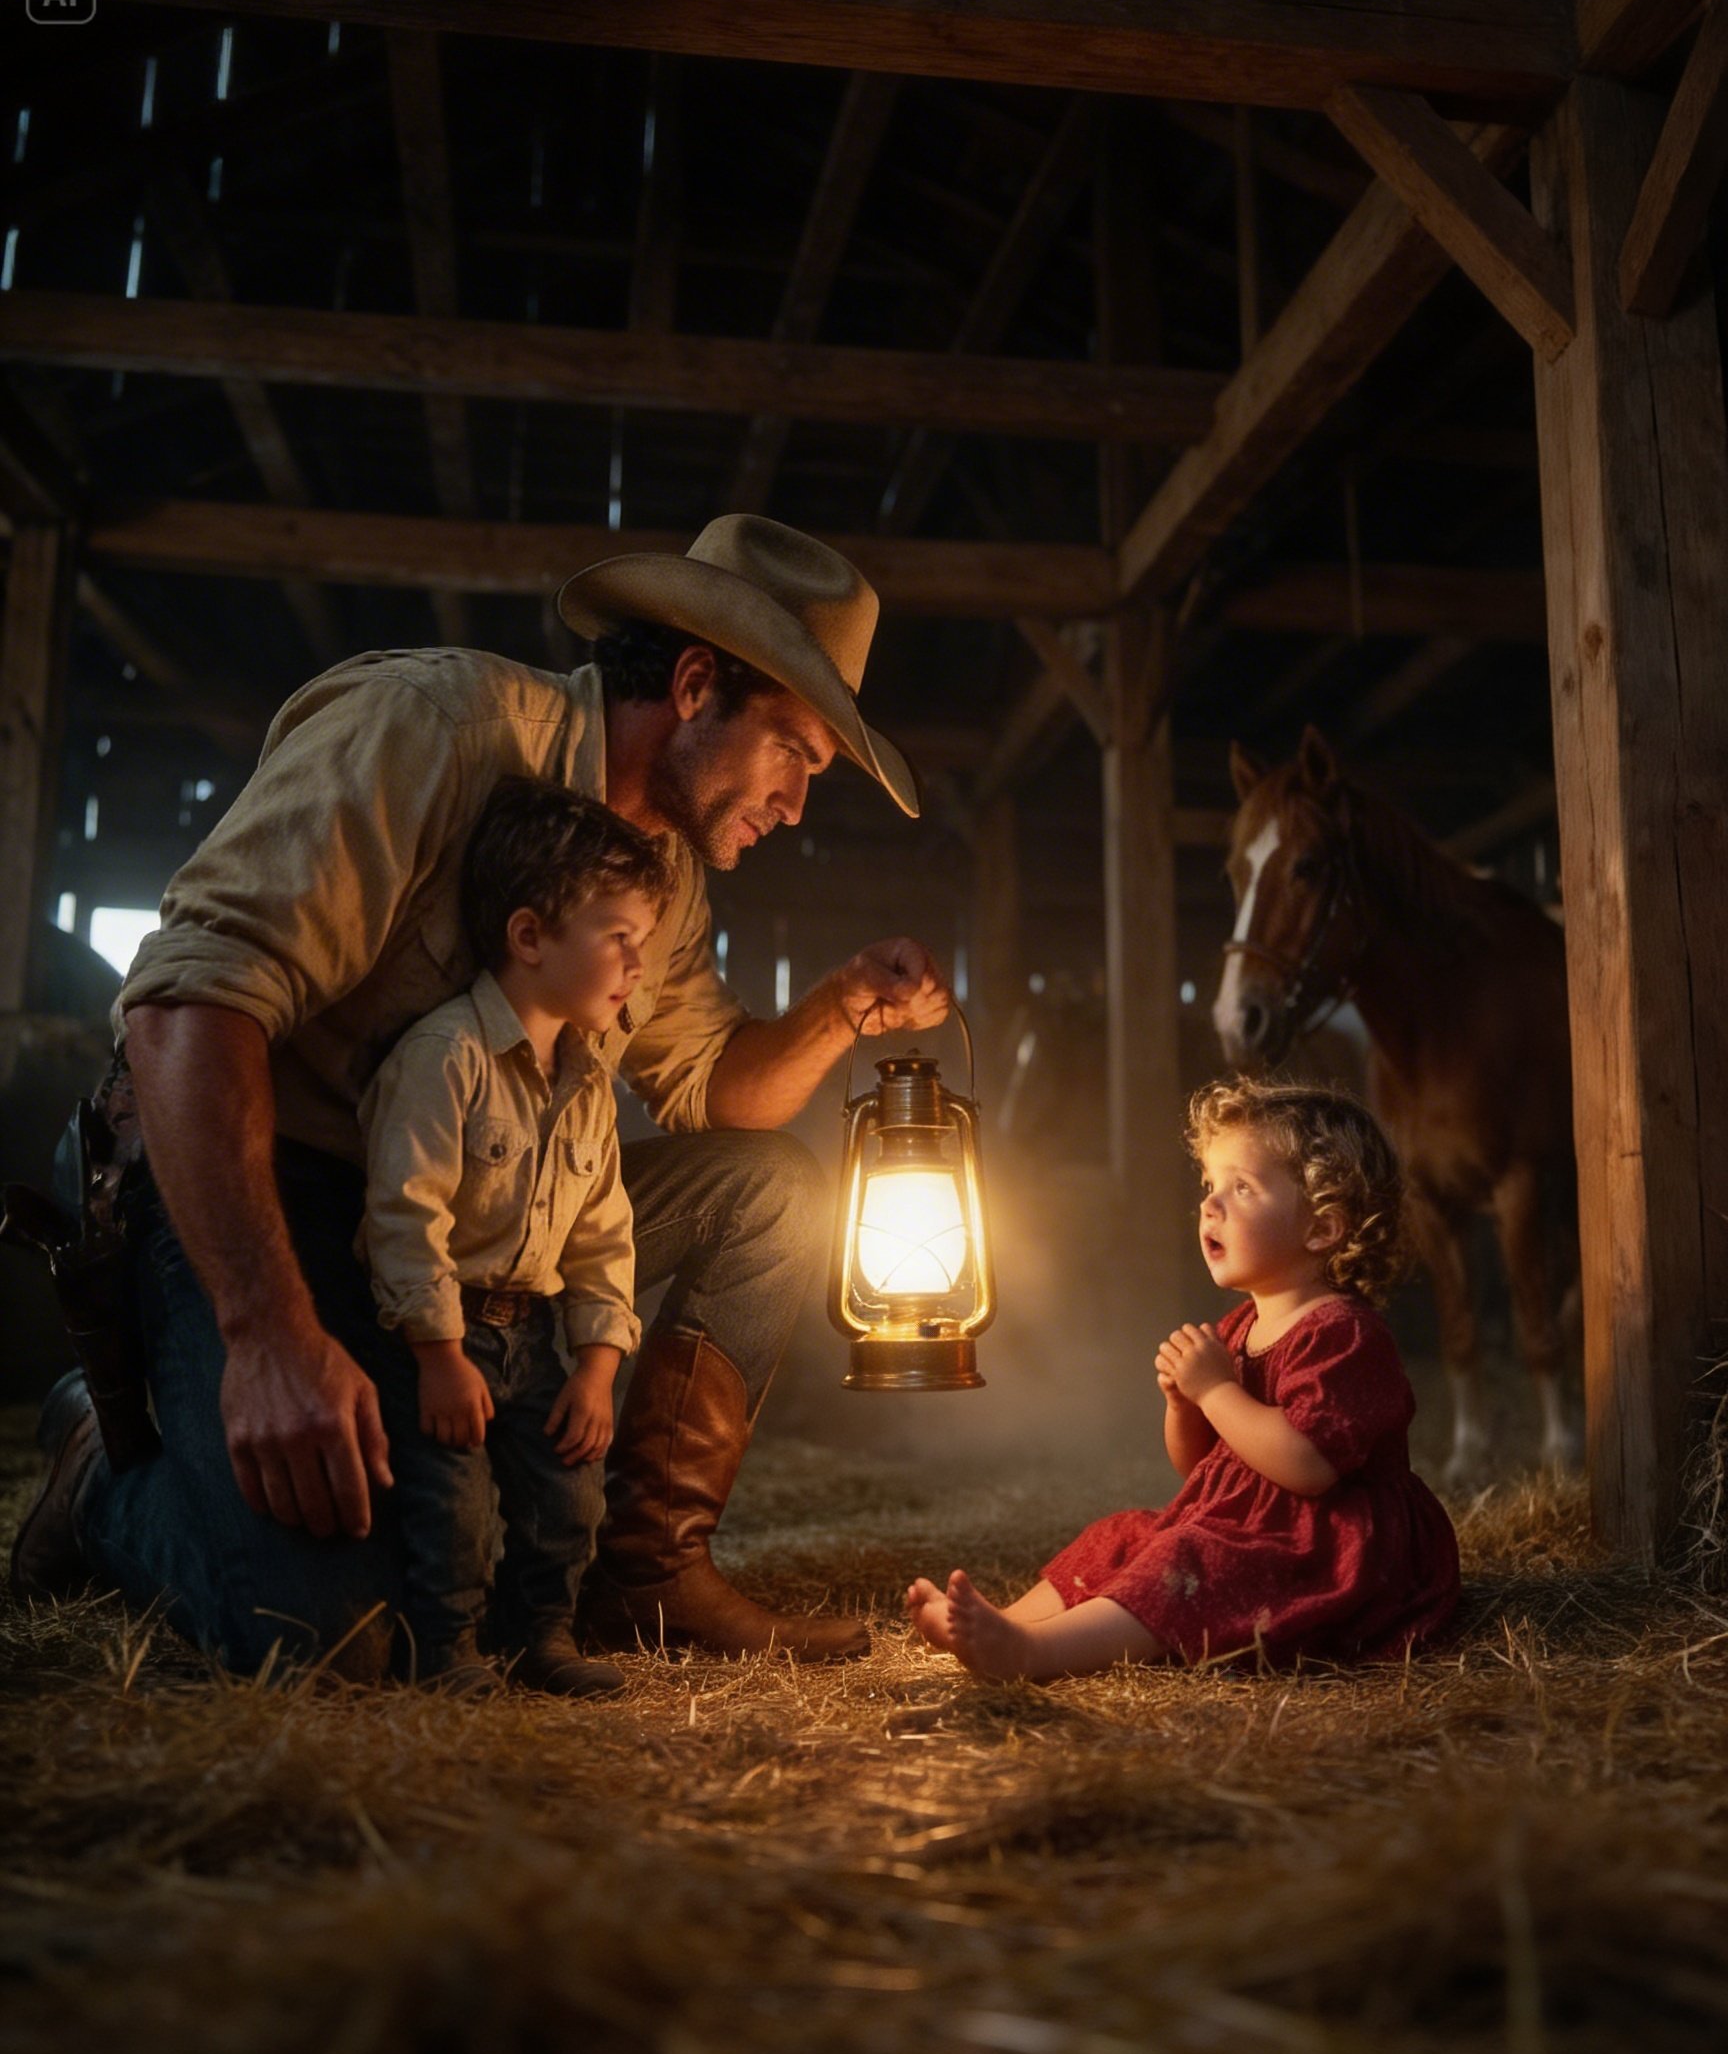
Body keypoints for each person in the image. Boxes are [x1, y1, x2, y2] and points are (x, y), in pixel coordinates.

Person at [13, 516, 947, 1676]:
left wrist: (847, 1002)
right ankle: (106, 1473)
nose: (800, 803)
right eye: (798, 753)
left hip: (470, 1223)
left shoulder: (665, 873)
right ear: (698, 684)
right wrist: (266, 1335)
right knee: (337, 1639)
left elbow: (715, 1089)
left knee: (770, 1192)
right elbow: (185, 1006)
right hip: (262, 1186)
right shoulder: (429, 728)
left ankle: (644, 1576)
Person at [907, 1079, 1460, 1682]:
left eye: (1242, 1188)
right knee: (1123, 1535)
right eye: (1209, 1185)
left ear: (1322, 1228)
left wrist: (1215, 1392)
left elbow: (1309, 1466)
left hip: (1331, 1555)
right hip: (1251, 1530)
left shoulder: (1342, 1335)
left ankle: (1034, 1655)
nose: (1210, 1205)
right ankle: (1009, 1625)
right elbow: (1199, 1470)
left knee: (1185, 1558)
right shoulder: (1239, 1328)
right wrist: (1185, 1407)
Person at [359, 779, 675, 1701]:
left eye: (643, 946)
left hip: (534, 1331)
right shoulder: (445, 1058)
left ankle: (538, 1634)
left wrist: (597, 1365)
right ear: (531, 937)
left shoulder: (588, 1079)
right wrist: (438, 1354)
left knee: (567, 1495)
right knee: (450, 1501)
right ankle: (445, 1648)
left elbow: (601, 1232)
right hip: (441, 1336)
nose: (637, 967)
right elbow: (403, 1212)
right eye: (620, 940)